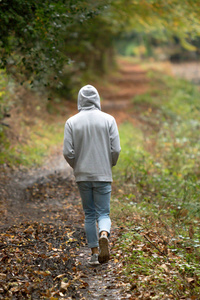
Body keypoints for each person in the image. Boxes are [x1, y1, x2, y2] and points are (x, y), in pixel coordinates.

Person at [63, 84, 121, 265]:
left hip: (83, 175)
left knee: (89, 214)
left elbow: (67, 152)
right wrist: (109, 163)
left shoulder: (72, 122)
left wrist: (77, 165)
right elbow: (116, 149)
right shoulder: (108, 120)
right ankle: (104, 233)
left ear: (80, 100)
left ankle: (95, 254)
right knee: (103, 213)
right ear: (97, 99)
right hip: (103, 173)